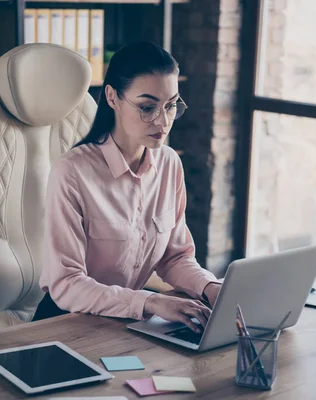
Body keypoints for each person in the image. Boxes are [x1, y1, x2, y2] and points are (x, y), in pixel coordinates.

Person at [34, 41, 222, 334]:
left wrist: (210, 287)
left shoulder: (170, 164)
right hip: (66, 323)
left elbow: (175, 257)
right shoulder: (72, 172)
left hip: (126, 323)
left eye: (171, 106)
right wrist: (151, 302)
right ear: (112, 97)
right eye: (147, 107)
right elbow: (65, 284)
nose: (163, 121)